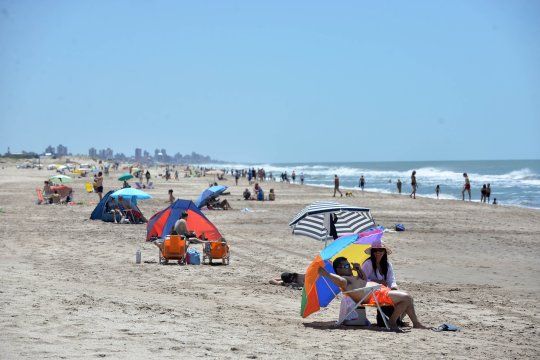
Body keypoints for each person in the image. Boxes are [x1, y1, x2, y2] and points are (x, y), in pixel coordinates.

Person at [318, 257, 427, 330]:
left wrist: (358, 269)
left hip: (378, 292)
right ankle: (392, 322)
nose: (349, 268)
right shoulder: (345, 279)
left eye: (348, 265)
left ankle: (415, 323)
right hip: (374, 296)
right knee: (406, 298)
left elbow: (365, 279)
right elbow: (340, 281)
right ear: (339, 269)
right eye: (346, 266)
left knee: (408, 298)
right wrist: (327, 274)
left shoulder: (352, 276)